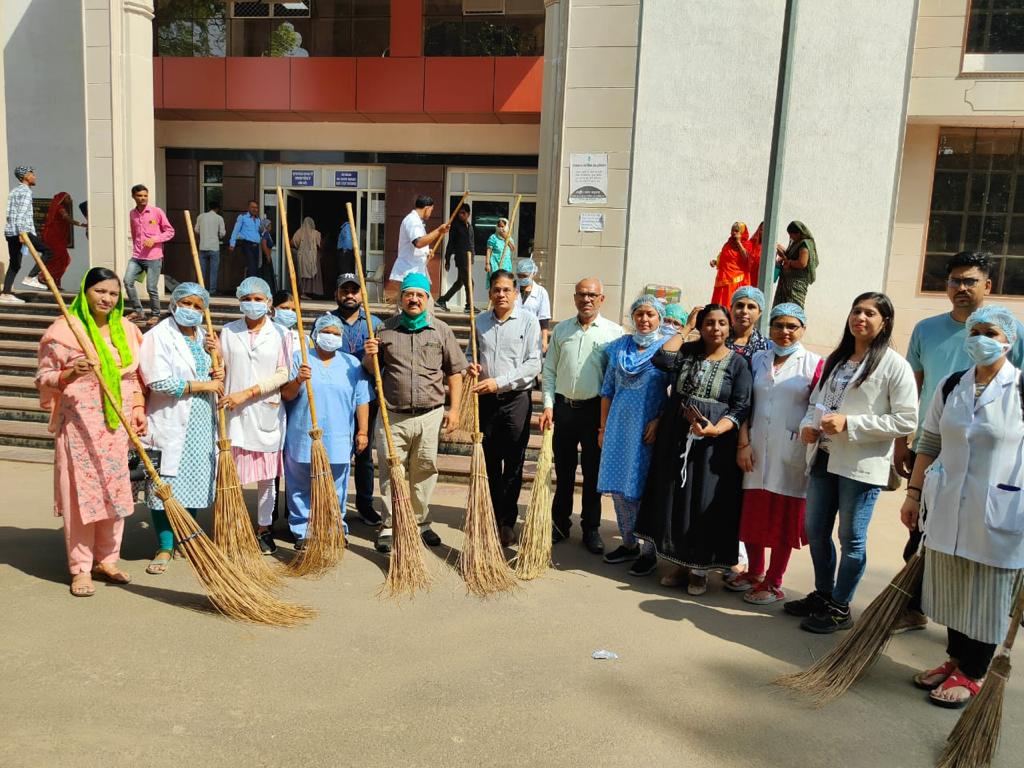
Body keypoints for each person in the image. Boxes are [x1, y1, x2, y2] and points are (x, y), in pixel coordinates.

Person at [893, 250, 1024, 633]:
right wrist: (905, 441)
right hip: (937, 445)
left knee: (984, 558)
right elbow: (913, 388)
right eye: (955, 280)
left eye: (970, 281)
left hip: (996, 463)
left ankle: (974, 645)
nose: (962, 287)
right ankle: (917, 609)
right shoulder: (926, 330)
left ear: (988, 285)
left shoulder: (1014, 334)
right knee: (924, 536)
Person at [901, 306, 1024, 708]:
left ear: (1009, 340)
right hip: (947, 502)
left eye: (989, 331)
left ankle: (973, 671)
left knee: (986, 592)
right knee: (953, 585)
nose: (980, 338)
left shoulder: (1020, 388)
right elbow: (930, 442)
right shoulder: (952, 384)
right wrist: (913, 493)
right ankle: (955, 658)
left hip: (1001, 508)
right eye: (974, 331)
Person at [787, 292, 917, 632]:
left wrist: (851, 424)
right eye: (856, 310)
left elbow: (906, 421)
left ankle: (840, 607)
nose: (861, 317)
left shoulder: (894, 365)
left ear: (884, 321)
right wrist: (807, 428)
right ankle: (823, 594)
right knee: (815, 530)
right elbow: (816, 403)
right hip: (823, 459)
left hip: (860, 465)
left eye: (870, 313)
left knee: (851, 538)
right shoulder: (838, 359)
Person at [35, 267, 146, 596]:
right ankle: (80, 567)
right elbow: (43, 377)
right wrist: (69, 374)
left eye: (113, 293)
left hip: (116, 427)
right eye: (100, 291)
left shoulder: (126, 330)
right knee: (82, 499)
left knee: (114, 495)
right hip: (80, 427)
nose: (107, 299)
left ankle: (107, 559)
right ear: (85, 292)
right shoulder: (65, 331)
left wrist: (138, 407)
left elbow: (133, 377)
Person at [634, 304, 753, 595]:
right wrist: (686, 328)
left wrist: (715, 429)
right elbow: (661, 359)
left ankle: (700, 570)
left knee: (703, 501)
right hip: (676, 436)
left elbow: (741, 406)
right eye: (708, 322)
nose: (715, 328)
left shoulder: (738, 364)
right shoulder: (687, 353)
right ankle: (679, 563)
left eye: (722, 323)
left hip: (715, 445)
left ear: (729, 328)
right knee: (677, 498)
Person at [362, 272, 467, 553]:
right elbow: (372, 370)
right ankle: (390, 524)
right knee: (390, 471)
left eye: (419, 295)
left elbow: (456, 373)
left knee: (424, 470)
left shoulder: (441, 330)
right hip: (392, 415)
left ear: (428, 299)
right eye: (408, 294)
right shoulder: (384, 330)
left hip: (429, 415)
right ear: (401, 298)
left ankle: (420, 522)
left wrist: (454, 410)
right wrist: (369, 354)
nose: (413, 299)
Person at [734, 303, 823, 604]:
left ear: (803, 329)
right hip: (755, 446)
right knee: (753, 511)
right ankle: (754, 571)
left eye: (792, 326)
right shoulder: (757, 359)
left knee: (783, 516)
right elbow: (743, 402)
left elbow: (819, 406)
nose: (784, 332)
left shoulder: (813, 363)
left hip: (792, 450)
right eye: (778, 325)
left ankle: (774, 581)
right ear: (769, 328)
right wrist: (743, 443)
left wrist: (809, 430)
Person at [138, 282, 222, 575]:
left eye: (199, 306)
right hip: (170, 420)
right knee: (165, 486)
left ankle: (187, 538)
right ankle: (164, 545)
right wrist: (203, 385)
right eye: (186, 304)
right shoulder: (158, 336)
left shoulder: (203, 336)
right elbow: (157, 381)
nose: (192, 310)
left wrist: (217, 357)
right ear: (174, 304)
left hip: (201, 421)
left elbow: (217, 375)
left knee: (195, 482)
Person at [539, 278, 623, 553]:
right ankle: (560, 523)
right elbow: (549, 370)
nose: (586, 299)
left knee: (592, 473)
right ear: (574, 298)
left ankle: (591, 529)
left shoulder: (614, 333)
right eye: (581, 295)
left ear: (602, 298)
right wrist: (548, 405)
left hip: (594, 412)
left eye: (592, 295)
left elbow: (615, 380)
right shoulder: (562, 330)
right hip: (563, 410)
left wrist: (607, 421)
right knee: (563, 472)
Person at [465, 270, 543, 546]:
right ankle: (490, 515)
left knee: (513, 462)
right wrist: (470, 367)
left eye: (506, 290)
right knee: (488, 461)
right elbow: (469, 355)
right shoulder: (480, 321)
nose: (501, 294)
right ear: (490, 294)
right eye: (496, 290)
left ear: (516, 293)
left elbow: (534, 364)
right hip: (486, 402)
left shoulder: (528, 322)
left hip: (516, 400)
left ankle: (507, 521)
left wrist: (498, 382)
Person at [281, 314, 371, 548]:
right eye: (326, 332)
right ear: (315, 334)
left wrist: (362, 431)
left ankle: (334, 527)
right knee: (300, 484)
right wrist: (299, 379)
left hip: (339, 436)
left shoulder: (352, 364)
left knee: (336, 485)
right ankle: (303, 530)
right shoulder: (300, 358)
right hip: (303, 434)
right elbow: (286, 394)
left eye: (335, 333)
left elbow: (361, 399)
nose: (330, 337)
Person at [597, 295, 671, 577]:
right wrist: (603, 428)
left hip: (648, 430)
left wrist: (660, 420)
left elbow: (675, 393)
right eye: (639, 314)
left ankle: (648, 550)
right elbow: (607, 391)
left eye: (650, 314)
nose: (644, 319)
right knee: (619, 488)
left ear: (659, 318)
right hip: (618, 427)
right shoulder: (618, 348)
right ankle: (628, 542)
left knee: (642, 487)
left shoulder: (667, 349)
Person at [219, 277, 290, 555]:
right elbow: (222, 368)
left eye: (258, 299)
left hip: (266, 411)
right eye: (247, 298)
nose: (252, 303)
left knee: (266, 478)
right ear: (239, 301)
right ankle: (232, 526)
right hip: (234, 414)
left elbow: (283, 374)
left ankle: (263, 529)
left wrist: (248, 393)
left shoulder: (283, 334)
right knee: (232, 476)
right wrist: (216, 369)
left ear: (269, 303)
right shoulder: (227, 332)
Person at [329, 273, 384, 526]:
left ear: (362, 295)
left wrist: (373, 355)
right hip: (334, 398)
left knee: (364, 453)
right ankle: (329, 502)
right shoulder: (326, 322)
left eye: (354, 290)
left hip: (367, 397)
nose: (349, 295)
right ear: (337, 294)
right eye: (344, 291)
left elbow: (380, 366)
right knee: (333, 451)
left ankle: (364, 503)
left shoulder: (374, 324)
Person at [124, 184, 175, 322]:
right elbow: (135, 234)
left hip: (154, 257)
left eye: (145, 196)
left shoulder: (156, 212)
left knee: (151, 287)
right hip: (137, 256)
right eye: (139, 196)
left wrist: (155, 239)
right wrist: (136, 247)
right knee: (127, 281)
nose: (143, 198)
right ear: (133, 196)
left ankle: (156, 314)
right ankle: (138, 311)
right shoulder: (132, 213)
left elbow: (170, 231)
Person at [386, 195, 449, 298]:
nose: (430, 213)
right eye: (431, 210)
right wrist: (439, 231)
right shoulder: (412, 220)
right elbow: (418, 242)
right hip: (410, 272)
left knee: (423, 308)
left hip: (415, 272)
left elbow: (418, 245)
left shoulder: (417, 221)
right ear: (427, 208)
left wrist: (426, 253)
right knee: (414, 307)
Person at [23, 192, 87, 292]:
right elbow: (67, 219)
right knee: (64, 259)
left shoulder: (59, 208)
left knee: (59, 260)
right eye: (68, 198)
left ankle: (53, 282)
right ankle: (43, 276)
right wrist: (82, 224)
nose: (70, 200)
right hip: (54, 238)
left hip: (57, 237)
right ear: (62, 199)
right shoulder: (60, 208)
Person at [2, 165, 43, 305]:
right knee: (49, 251)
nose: (34, 176)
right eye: (32, 173)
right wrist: (21, 232)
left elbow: (10, 213)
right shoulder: (26, 191)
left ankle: (6, 293)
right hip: (22, 231)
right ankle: (32, 277)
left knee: (15, 263)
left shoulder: (14, 191)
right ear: (25, 176)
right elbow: (21, 214)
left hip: (10, 232)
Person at [436, 203, 474, 313]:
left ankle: (442, 300)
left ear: (468, 214)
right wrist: (447, 260)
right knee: (470, 283)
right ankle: (469, 306)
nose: (461, 215)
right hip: (461, 258)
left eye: (463, 213)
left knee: (460, 283)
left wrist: (472, 258)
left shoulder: (470, 226)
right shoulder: (456, 226)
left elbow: (472, 243)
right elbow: (451, 243)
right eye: (459, 213)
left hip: (468, 258)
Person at [773, 221, 818, 308]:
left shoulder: (804, 244)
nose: (790, 237)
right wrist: (778, 247)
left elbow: (802, 263)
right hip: (786, 283)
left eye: (791, 234)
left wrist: (789, 262)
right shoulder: (795, 243)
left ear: (798, 233)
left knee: (792, 309)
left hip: (795, 285)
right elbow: (790, 255)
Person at [513, 258, 552, 353]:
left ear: (533, 273)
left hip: (532, 335)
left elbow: (544, 319)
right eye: (519, 276)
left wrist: (544, 340)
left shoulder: (541, 292)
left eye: (525, 276)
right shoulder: (511, 289)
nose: (522, 278)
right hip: (512, 333)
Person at [710, 221, 752, 306]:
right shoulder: (728, 244)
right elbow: (723, 257)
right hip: (722, 278)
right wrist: (715, 262)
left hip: (735, 280)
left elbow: (746, 259)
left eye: (736, 231)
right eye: (732, 230)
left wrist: (739, 243)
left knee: (730, 302)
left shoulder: (747, 245)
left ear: (742, 233)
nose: (733, 233)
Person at [726, 286, 771, 362]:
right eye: (740, 306)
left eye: (751, 307)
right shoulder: (716, 340)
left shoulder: (767, 348)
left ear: (759, 313)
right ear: (731, 309)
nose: (744, 311)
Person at [194, 202, 226, 295]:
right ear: (217, 209)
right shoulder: (219, 218)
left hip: (203, 246)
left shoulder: (201, 216)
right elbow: (222, 233)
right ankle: (212, 290)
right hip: (214, 247)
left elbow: (196, 230)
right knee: (214, 270)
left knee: (201, 270)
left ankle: (200, 290)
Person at [229, 201, 263, 280]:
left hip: (256, 245)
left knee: (256, 266)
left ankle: (253, 285)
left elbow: (259, 232)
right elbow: (235, 230)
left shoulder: (258, 219)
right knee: (251, 267)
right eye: (253, 207)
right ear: (248, 208)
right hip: (247, 244)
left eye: (256, 207)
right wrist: (232, 243)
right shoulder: (243, 217)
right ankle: (250, 288)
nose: (255, 209)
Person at [292, 217, 322, 298]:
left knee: (303, 273)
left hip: (302, 257)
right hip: (313, 257)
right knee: (313, 273)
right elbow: (319, 245)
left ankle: (303, 292)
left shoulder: (299, 232)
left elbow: (294, 243)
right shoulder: (316, 233)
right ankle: (313, 292)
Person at [748, 222, 764, 287]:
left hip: (762, 278)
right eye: (762, 230)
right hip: (749, 277)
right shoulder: (751, 244)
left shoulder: (772, 247)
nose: (763, 232)